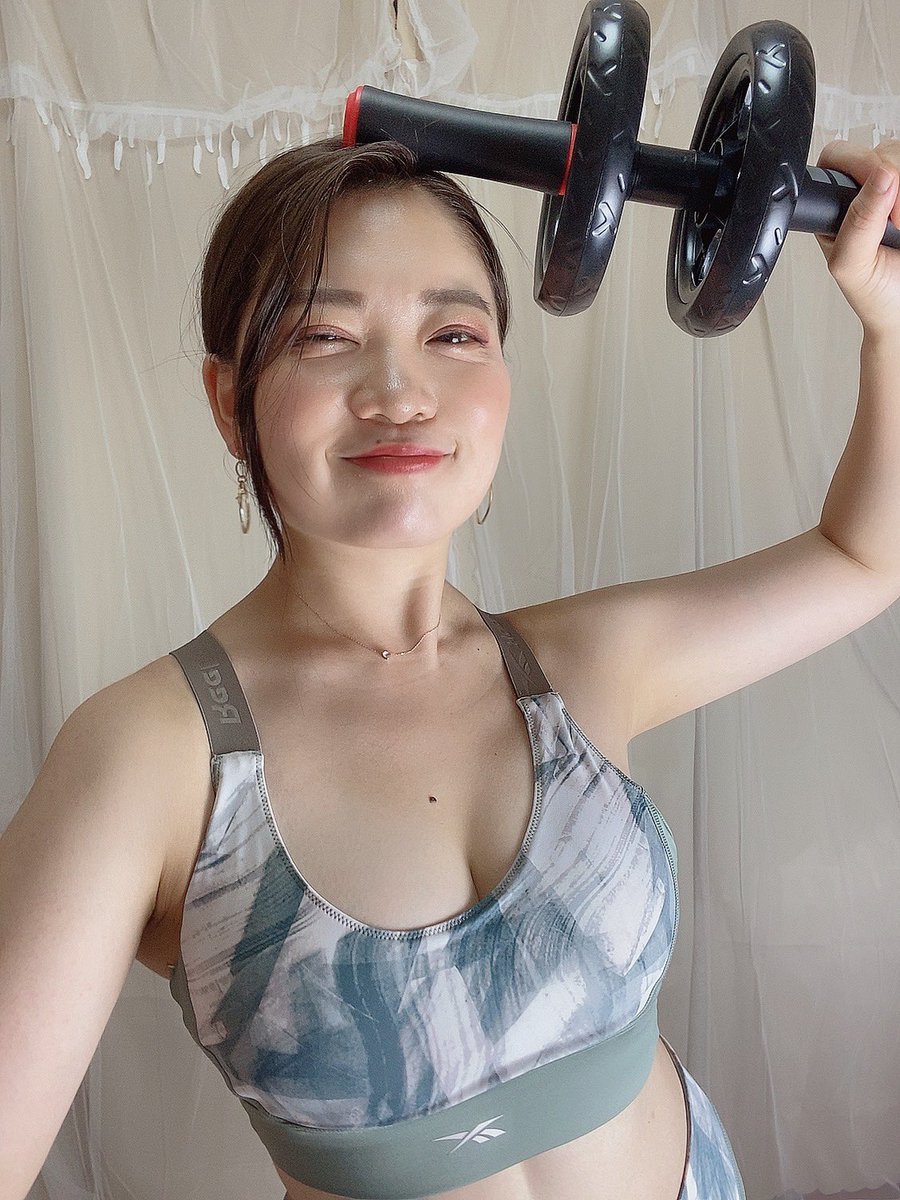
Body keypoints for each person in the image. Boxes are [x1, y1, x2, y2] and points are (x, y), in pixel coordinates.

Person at [2, 129, 899, 1200]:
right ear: (226, 400)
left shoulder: (580, 667)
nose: (400, 392)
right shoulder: (150, 757)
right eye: (325, 335)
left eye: (454, 333)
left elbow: (863, 556)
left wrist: (890, 321)